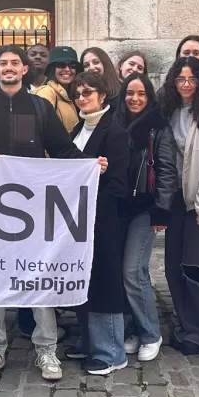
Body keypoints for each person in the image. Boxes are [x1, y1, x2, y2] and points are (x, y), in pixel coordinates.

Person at [0, 46, 82, 382]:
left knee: (38, 276)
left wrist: (89, 165)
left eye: (15, 63)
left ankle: (46, 348)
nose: (9, 67)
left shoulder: (40, 107)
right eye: (2, 63)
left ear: (24, 69)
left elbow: (62, 148)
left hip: (32, 209)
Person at [158, 55, 199, 355]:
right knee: (173, 267)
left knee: (197, 270)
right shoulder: (169, 111)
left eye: (192, 79)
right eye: (181, 79)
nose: (186, 85)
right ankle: (187, 326)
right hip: (174, 201)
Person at [66, 70, 130, 375]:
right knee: (82, 280)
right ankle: (90, 340)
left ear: (102, 95)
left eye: (87, 93)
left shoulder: (115, 133)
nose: (82, 98)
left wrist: (98, 178)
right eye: (77, 94)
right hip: (78, 222)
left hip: (102, 221)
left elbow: (119, 185)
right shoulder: (77, 130)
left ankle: (111, 352)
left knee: (104, 282)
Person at [117, 73, 177, 363]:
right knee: (121, 272)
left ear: (149, 96)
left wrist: (161, 210)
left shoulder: (159, 127)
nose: (135, 98)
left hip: (145, 207)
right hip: (118, 208)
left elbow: (166, 170)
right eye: (130, 93)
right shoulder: (115, 122)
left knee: (133, 270)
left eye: (141, 93)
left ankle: (151, 334)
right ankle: (133, 329)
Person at [34, 46, 81, 132]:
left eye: (72, 66)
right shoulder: (46, 92)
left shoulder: (76, 95)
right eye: (61, 65)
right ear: (52, 69)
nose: (67, 69)